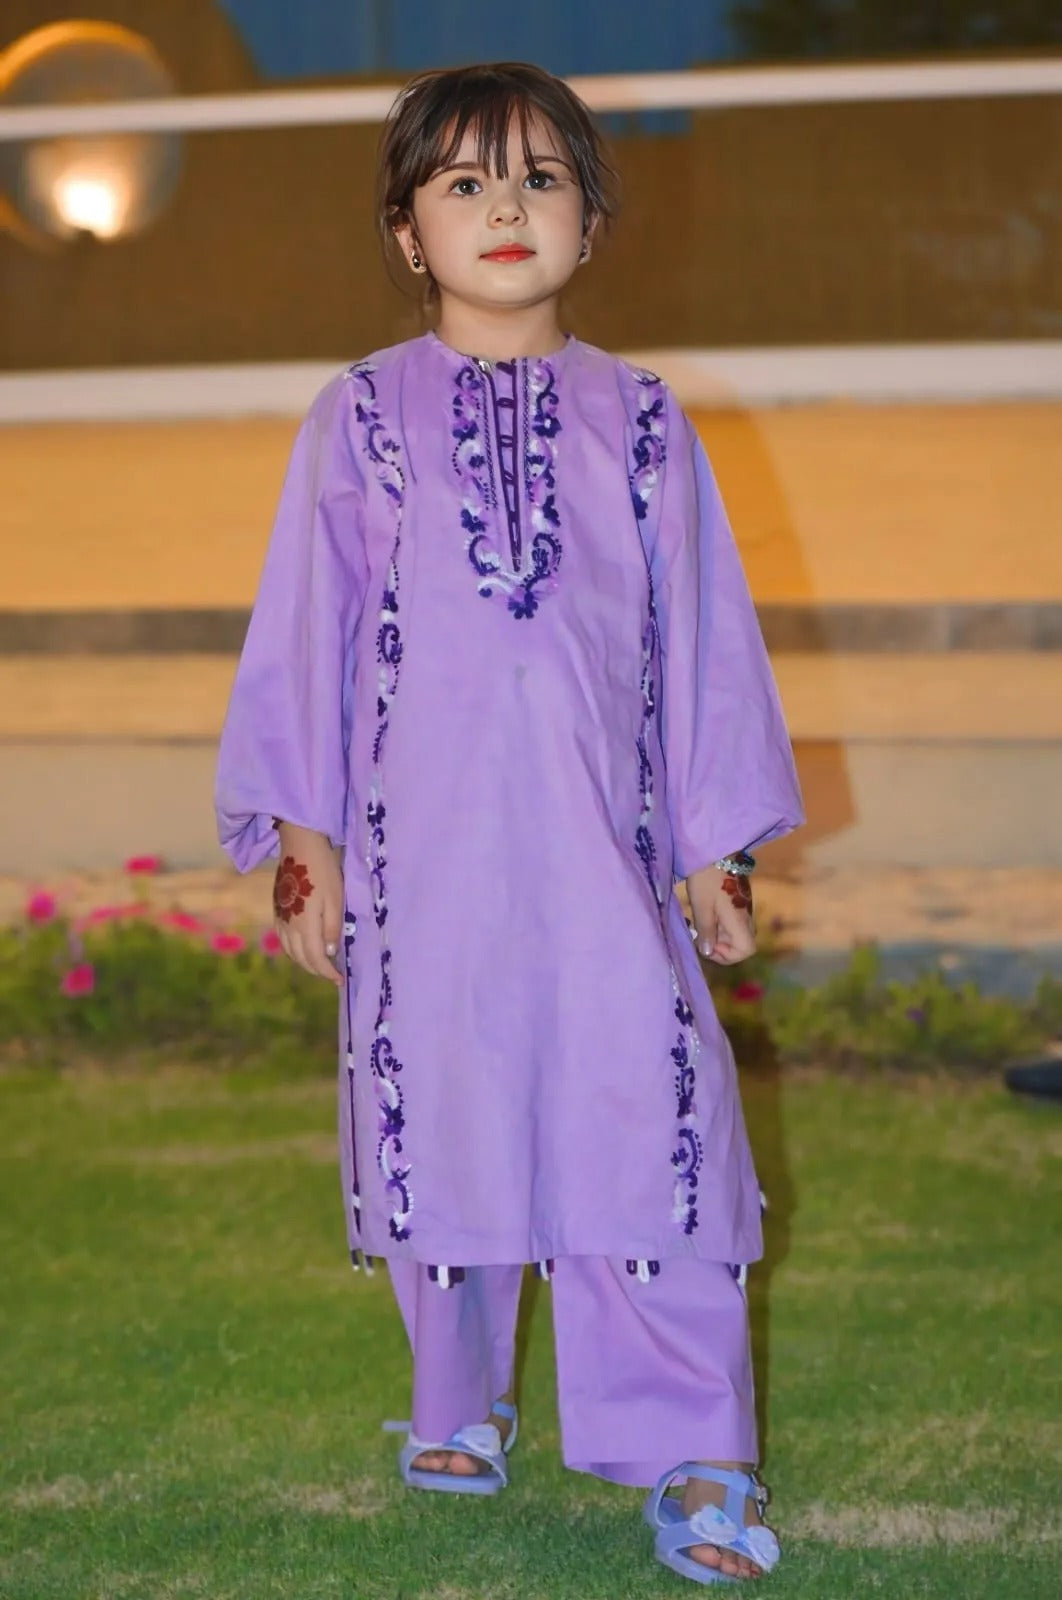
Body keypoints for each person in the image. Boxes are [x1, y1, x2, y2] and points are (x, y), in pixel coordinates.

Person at [215, 60, 803, 1586]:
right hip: (427, 862)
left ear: (590, 223)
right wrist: (306, 843)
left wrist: (716, 848)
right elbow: (303, 633)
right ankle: (456, 1399)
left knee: (653, 1114)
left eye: (541, 179)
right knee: (449, 1102)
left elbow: (701, 641)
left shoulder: (646, 422)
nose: (504, 207)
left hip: (606, 856)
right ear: (404, 231)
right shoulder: (358, 418)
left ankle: (692, 1450)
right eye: (463, 181)